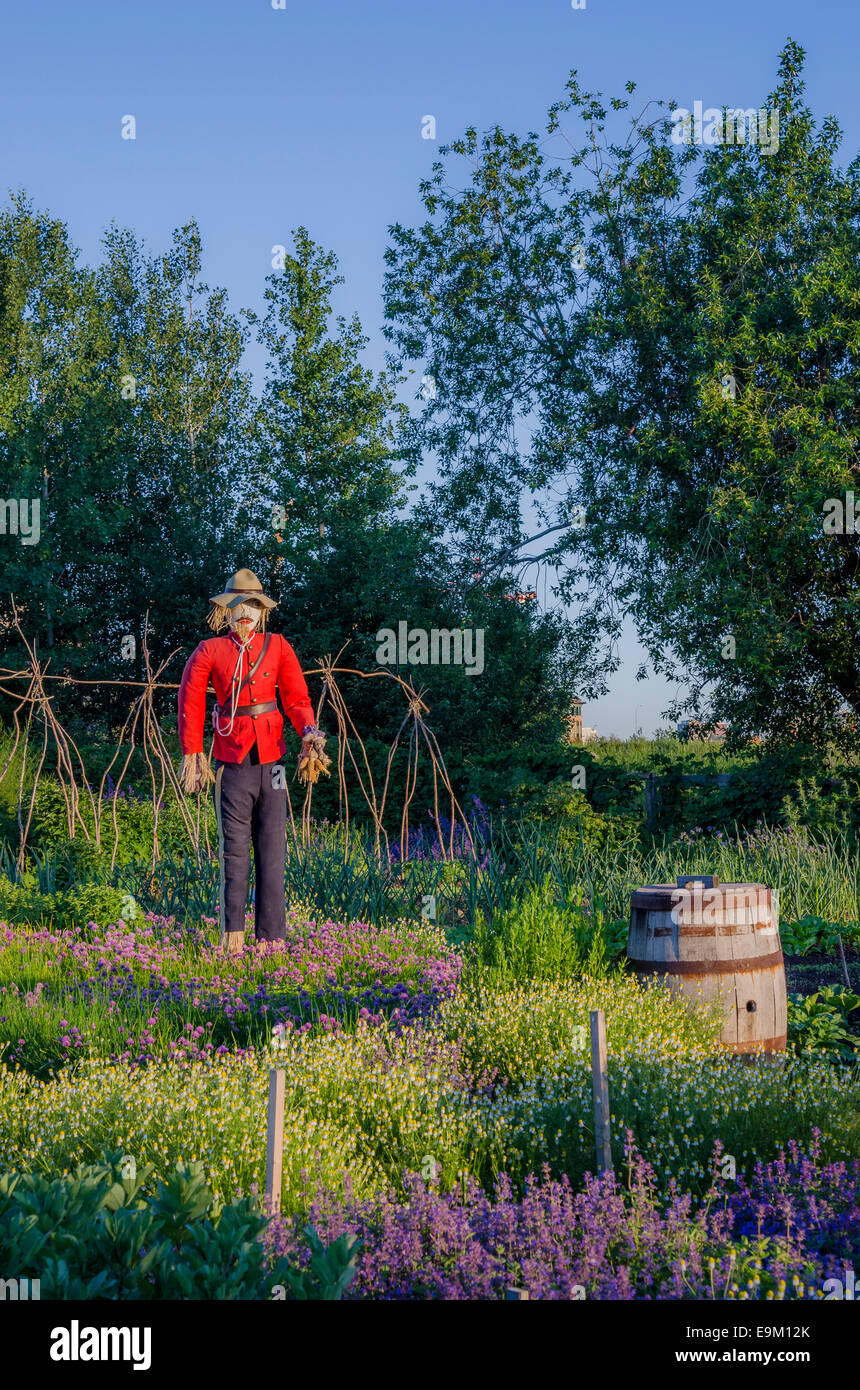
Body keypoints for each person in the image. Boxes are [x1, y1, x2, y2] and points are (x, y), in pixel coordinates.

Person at [177, 568, 330, 950]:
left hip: (274, 763)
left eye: (254, 605)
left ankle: (272, 941)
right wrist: (193, 752)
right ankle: (232, 939)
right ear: (227, 610)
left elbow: (296, 699)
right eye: (240, 605)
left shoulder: (278, 646)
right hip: (233, 761)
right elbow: (190, 701)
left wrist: (309, 733)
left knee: (273, 849)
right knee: (235, 852)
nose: (247, 612)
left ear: (262, 611)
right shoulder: (209, 650)